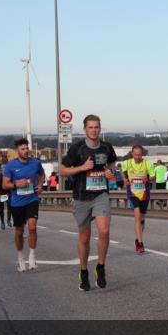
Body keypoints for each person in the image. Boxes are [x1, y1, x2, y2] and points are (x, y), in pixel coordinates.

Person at [60, 114, 118, 291]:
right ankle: (83, 271)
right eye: (91, 127)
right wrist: (82, 168)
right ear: (85, 129)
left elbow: (112, 165)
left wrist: (110, 173)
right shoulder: (77, 148)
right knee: (84, 238)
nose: (94, 130)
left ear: (100, 128)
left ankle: (100, 267)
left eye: (97, 127)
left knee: (105, 231)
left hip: (101, 195)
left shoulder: (107, 147)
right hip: (81, 197)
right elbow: (62, 171)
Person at [3, 138, 45, 271]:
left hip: (32, 199)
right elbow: (4, 185)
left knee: (32, 227)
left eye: (27, 148)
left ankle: (32, 256)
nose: (26, 151)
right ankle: (20, 257)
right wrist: (16, 184)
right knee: (19, 231)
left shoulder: (35, 162)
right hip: (17, 202)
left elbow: (42, 175)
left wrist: (40, 185)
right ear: (17, 151)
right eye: (23, 149)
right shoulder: (10, 166)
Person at [122, 144, 153, 253]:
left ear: (142, 154)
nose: (138, 157)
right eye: (135, 155)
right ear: (132, 154)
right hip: (133, 192)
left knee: (142, 220)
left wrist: (148, 178)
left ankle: (138, 238)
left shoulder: (147, 164)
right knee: (137, 215)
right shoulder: (127, 162)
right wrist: (125, 179)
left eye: (140, 155)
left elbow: (153, 177)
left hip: (144, 193)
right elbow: (121, 169)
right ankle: (140, 244)